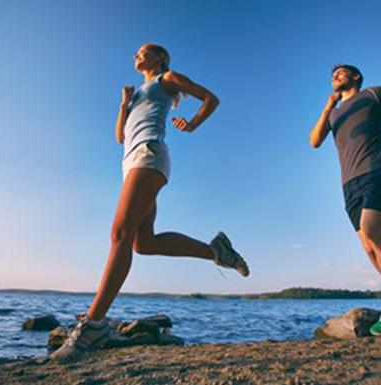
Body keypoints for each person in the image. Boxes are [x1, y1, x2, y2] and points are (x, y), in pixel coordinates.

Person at [50, 43, 250, 362]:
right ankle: (217, 251)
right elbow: (119, 136)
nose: (136, 55)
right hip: (131, 162)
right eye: (136, 53)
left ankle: (95, 324)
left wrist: (193, 123)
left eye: (143, 51)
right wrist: (124, 104)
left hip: (149, 155)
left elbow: (211, 99)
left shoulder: (166, 79)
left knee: (119, 233)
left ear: (160, 58)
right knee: (142, 243)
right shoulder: (138, 94)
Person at [309, 64, 381, 335]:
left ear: (356, 77)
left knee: (374, 231)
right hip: (349, 184)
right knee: (368, 246)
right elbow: (314, 141)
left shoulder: (376, 94)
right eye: (332, 75)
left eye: (340, 73)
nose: (334, 77)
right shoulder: (334, 113)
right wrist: (328, 108)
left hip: (376, 170)